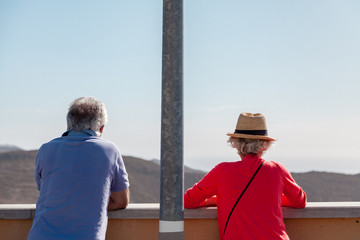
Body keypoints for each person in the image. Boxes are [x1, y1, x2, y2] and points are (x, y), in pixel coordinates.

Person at [184, 113, 306, 240]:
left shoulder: (222, 171)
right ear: (265, 145)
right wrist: (273, 199)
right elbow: (300, 201)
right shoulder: (277, 170)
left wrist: (216, 200)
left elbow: (189, 200)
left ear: (236, 143)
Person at [27, 96, 130, 240]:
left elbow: (47, 191)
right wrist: (91, 206)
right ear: (101, 128)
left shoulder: (46, 149)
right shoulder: (109, 150)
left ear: (69, 124)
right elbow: (121, 201)